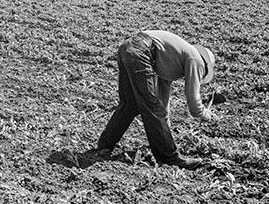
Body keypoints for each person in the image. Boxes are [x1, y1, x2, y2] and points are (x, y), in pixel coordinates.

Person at [95, 29, 222, 170]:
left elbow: (162, 101)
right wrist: (206, 115)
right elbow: (194, 103)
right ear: (205, 66)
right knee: (150, 106)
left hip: (128, 47)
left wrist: (166, 131)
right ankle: (170, 158)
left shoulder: (173, 60)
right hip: (141, 51)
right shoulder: (196, 60)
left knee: (130, 105)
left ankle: (105, 145)